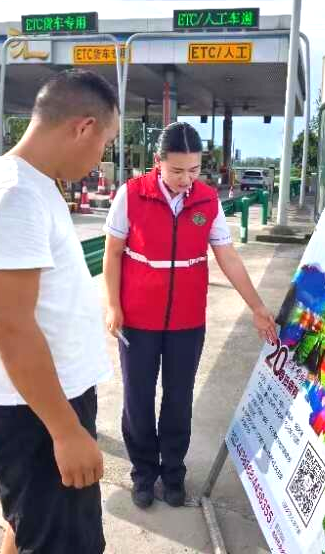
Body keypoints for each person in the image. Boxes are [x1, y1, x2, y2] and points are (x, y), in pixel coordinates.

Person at [0, 69, 119, 554]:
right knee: (60, 543)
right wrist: (65, 431)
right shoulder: (14, 194)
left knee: (28, 526)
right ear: (83, 127)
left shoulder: (34, 184)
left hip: (48, 400)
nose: (100, 159)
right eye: (106, 144)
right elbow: (11, 328)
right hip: (37, 412)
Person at [103, 121, 278, 509]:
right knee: (137, 398)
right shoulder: (131, 195)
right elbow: (112, 253)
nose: (186, 179)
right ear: (158, 162)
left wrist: (256, 306)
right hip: (138, 320)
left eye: (194, 170)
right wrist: (113, 305)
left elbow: (227, 257)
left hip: (186, 322)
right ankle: (143, 474)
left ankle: (173, 473)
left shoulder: (207, 201)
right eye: (177, 170)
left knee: (179, 399)